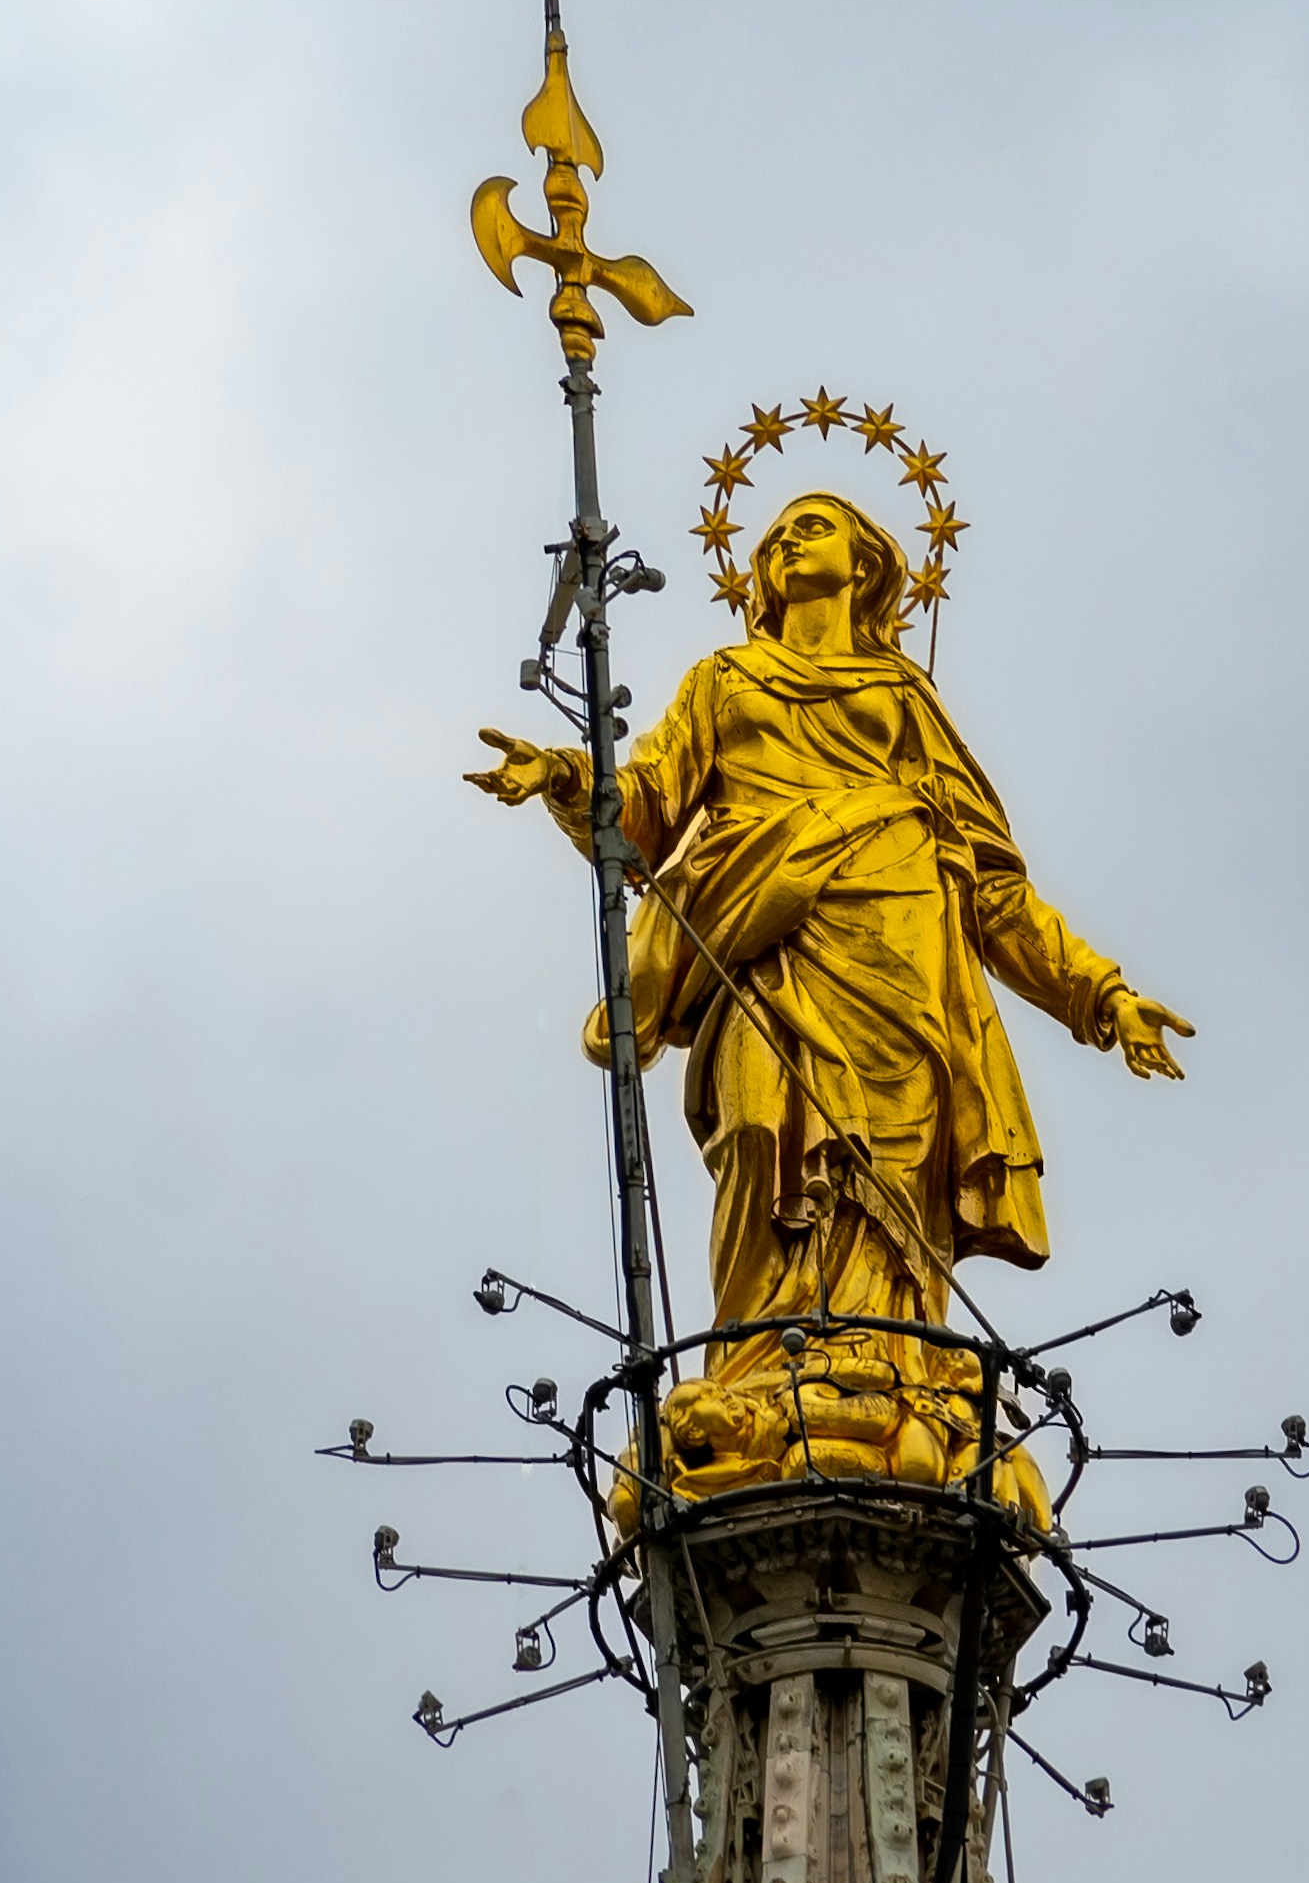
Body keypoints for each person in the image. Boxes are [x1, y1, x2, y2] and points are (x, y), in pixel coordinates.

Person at [473, 491, 1191, 1402]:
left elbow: (997, 893)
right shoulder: (722, 680)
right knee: (760, 1136)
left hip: (902, 967)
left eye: (810, 526)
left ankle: (894, 1374)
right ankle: (754, 1371)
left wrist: (1103, 996)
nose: (781, 542)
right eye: (771, 535)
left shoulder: (903, 699)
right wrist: (567, 774)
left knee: (889, 1177)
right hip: (758, 944)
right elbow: (645, 811)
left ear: (866, 563)